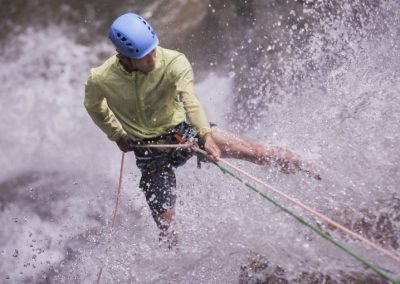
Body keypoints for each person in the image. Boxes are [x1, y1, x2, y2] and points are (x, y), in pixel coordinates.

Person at [84, 12, 320, 248]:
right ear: (124, 57)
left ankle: (313, 168)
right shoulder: (100, 78)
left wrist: (206, 136)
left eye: (154, 50)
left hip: (182, 133)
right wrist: (116, 135)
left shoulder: (175, 61)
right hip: (149, 152)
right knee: (167, 231)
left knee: (254, 152)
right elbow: (93, 106)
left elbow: (191, 101)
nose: (153, 59)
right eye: (145, 57)